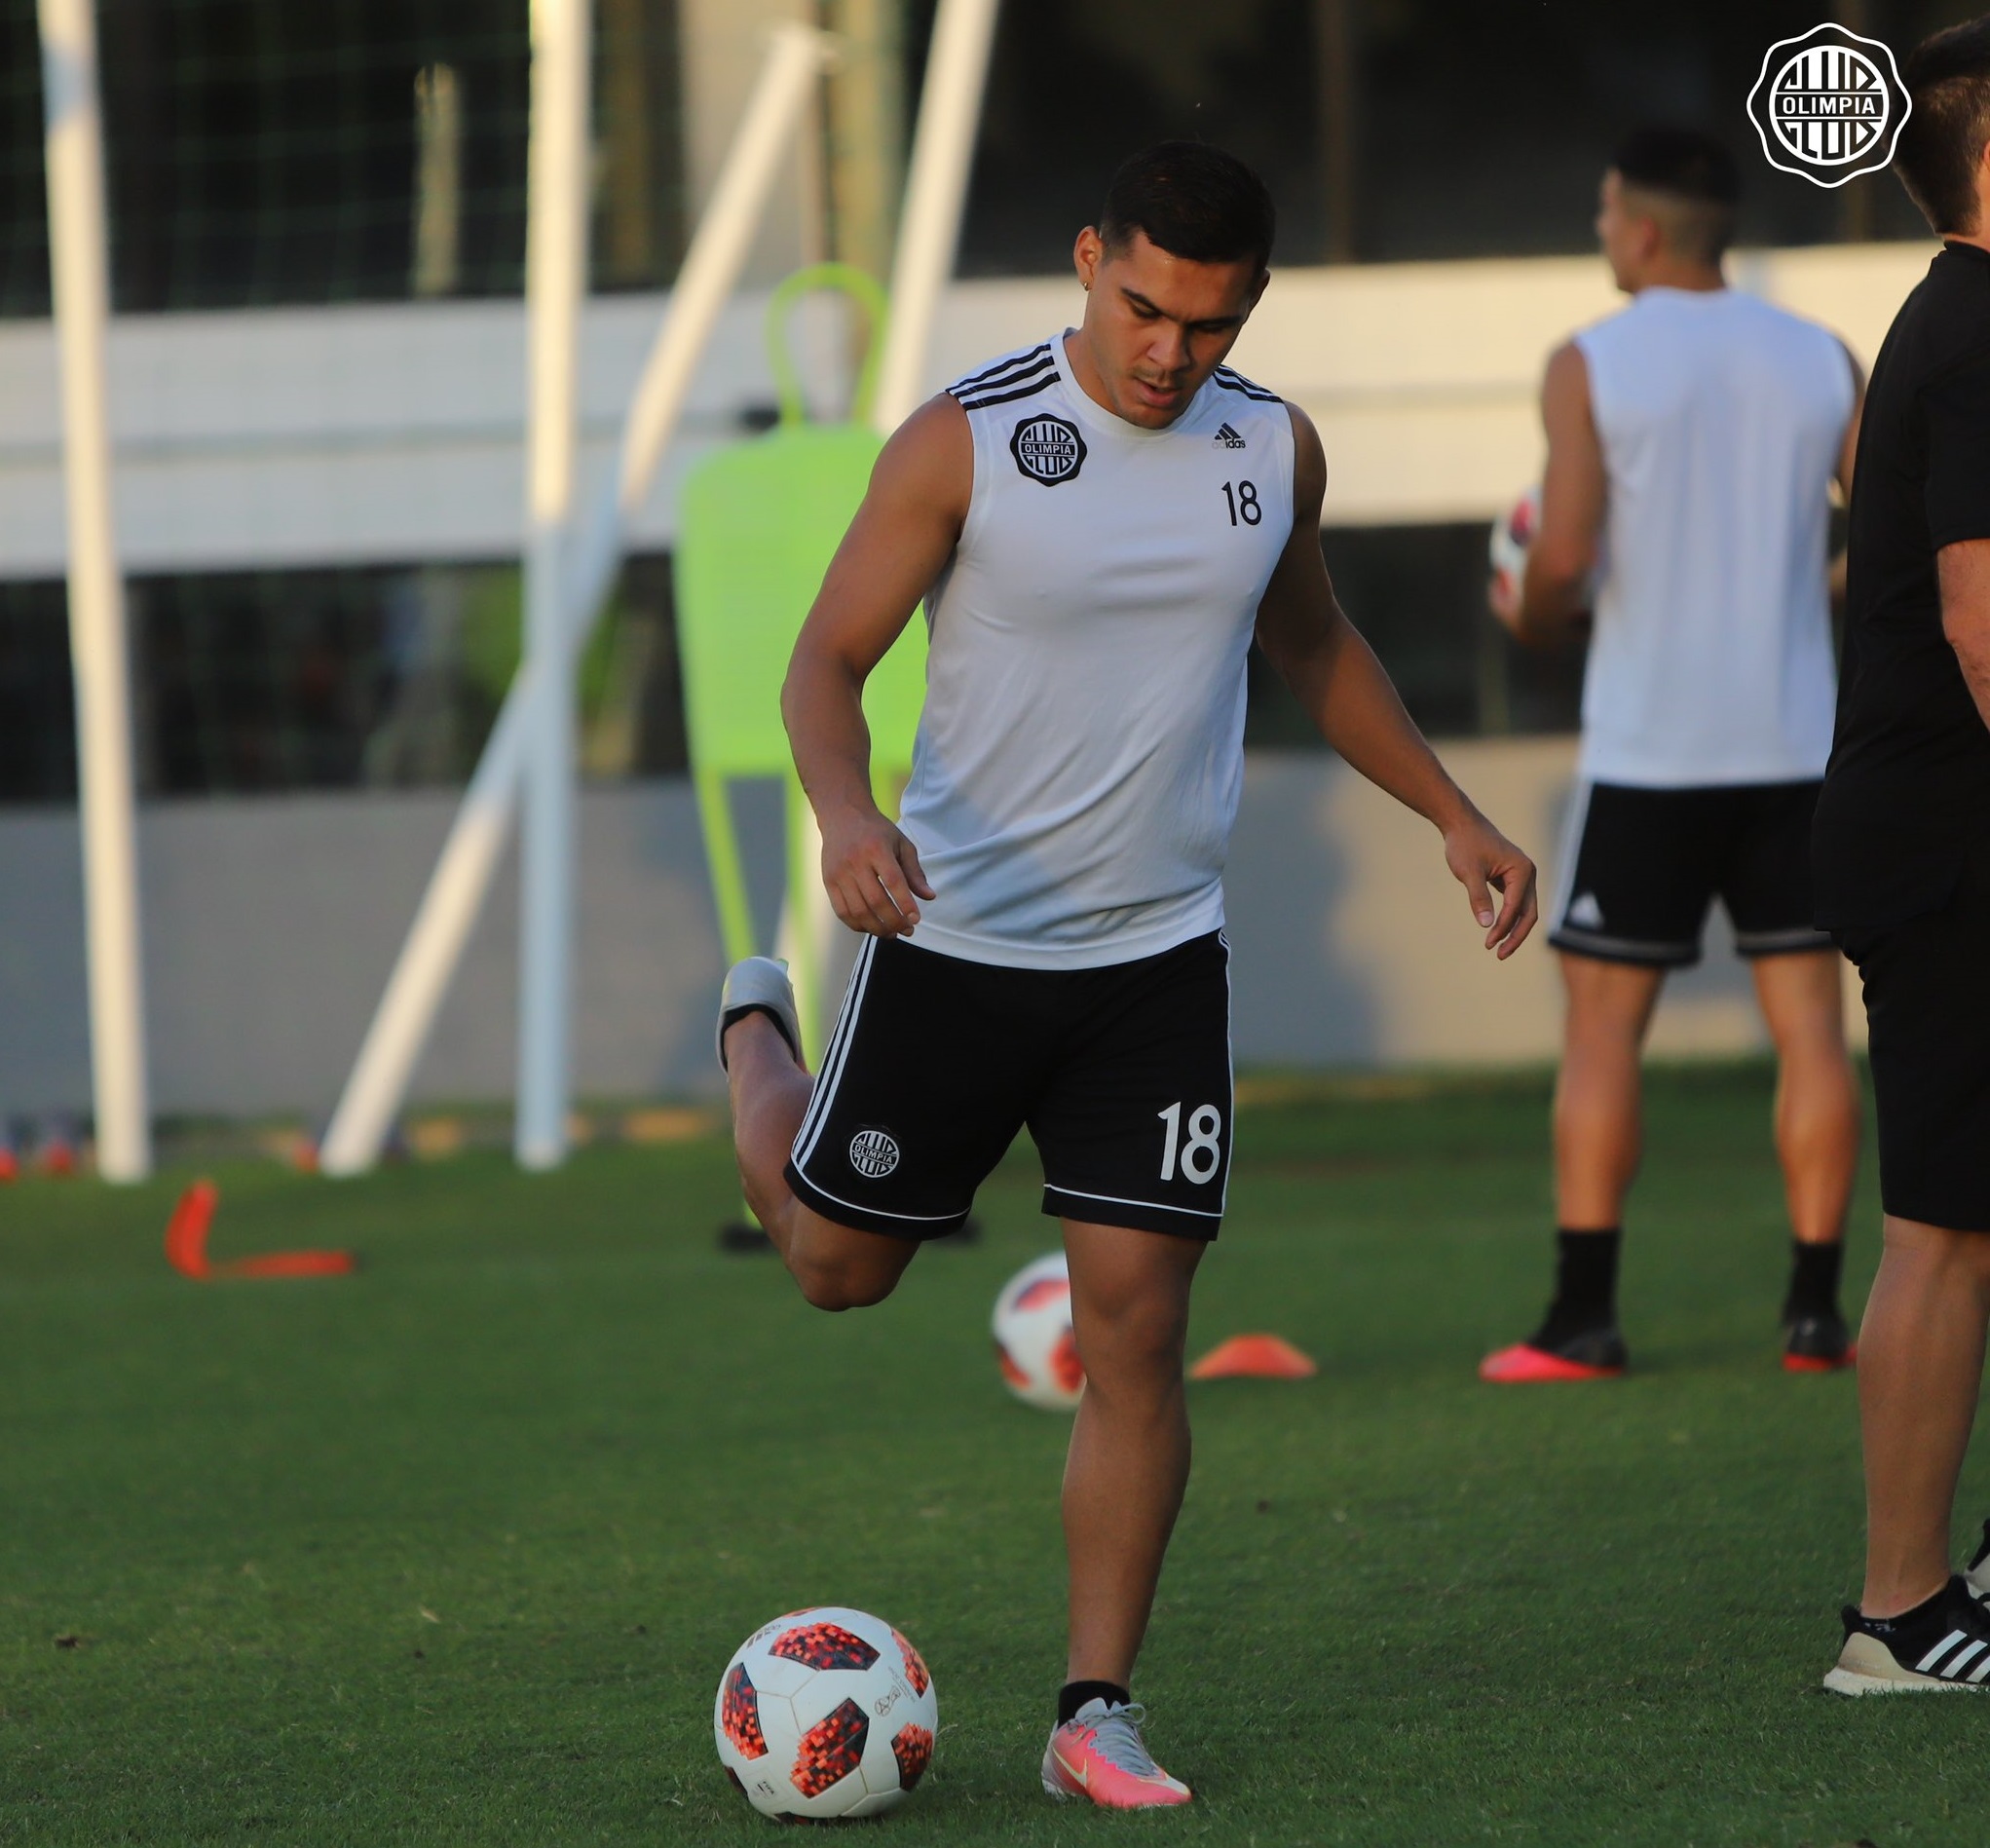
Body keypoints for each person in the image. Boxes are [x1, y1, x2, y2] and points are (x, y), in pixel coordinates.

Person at [716, 142, 1539, 1804]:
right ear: (1090, 260)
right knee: (832, 1269)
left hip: (1156, 968)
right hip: (947, 943)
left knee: (1139, 1332)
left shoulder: (1270, 447)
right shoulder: (966, 440)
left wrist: (1454, 812)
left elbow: (1312, 642)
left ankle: (1094, 1709)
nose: (1170, 353)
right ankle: (751, 1028)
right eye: (1143, 305)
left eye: (1210, 325)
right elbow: (825, 657)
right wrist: (846, 812)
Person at [1481, 126, 1865, 1384]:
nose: (1602, 235)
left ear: (1641, 228)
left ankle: (1582, 1317)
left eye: (1603, 215)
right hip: (1797, 747)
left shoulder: (1592, 361)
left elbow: (1566, 554)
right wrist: (1816, 587)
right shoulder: (1820, 358)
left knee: (1600, 1035)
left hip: (1654, 754)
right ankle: (1815, 1313)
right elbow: (1900, 528)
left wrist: (1529, 610)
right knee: (1812, 1029)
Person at [1810, 18, 1990, 1694]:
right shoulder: (1977, 330)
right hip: (1951, 843)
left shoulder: (1951, 319)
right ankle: (1897, 1614)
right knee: (1943, 1221)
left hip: (1929, 819)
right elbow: (1983, 625)